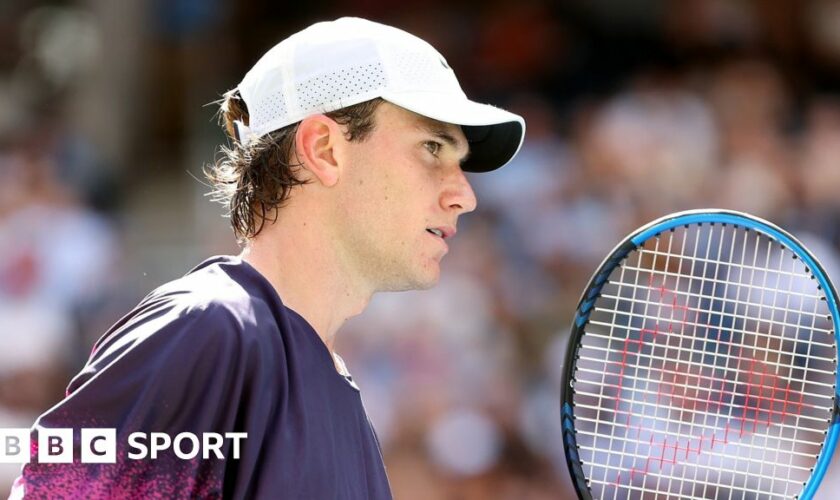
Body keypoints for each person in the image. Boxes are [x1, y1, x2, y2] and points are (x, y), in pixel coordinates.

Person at [10, 17, 524, 499]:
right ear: (324, 148)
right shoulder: (211, 331)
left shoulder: (337, 397)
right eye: (432, 148)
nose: (465, 195)